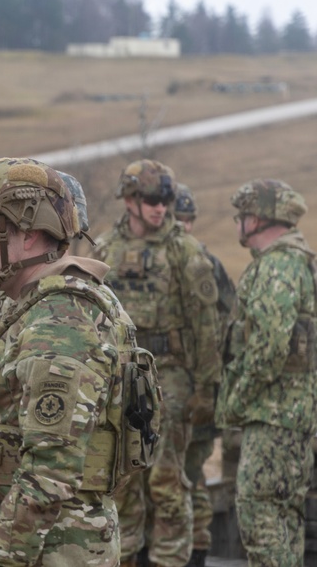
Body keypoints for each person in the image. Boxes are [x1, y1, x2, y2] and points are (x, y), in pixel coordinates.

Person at [0, 156, 143, 566]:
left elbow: (50, 474)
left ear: (28, 233)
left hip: (46, 548)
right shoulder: (24, 307)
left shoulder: (61, 320)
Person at [94, 159, 221, 567]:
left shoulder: (185, 251)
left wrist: (207, 388)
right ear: (130, 200)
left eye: (165, 200)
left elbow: (206, 326)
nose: (160, 208)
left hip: (170, 376)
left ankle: (170, 559)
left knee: (166, 481)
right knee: (121, 481)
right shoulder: (105, 249)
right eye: (151, 199)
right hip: (119, 376)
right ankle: (125, 555)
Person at [217, 179, 316, 567]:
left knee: (259, 512)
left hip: (272, 414)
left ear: (255, 219)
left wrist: (238, 399)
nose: (238, 225)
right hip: (290, 415)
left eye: (241, 217)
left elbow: (271, 344)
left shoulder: (277, 266)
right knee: (285, 516)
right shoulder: (295, 261)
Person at [173, 182, 237, 567]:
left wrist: (212, 388)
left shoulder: (205, 264)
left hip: (199, 390)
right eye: (175, 220)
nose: (180, 227)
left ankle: (195, 550)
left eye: (186, 220)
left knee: (190, 476)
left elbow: (228, 323)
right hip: (167, 390)